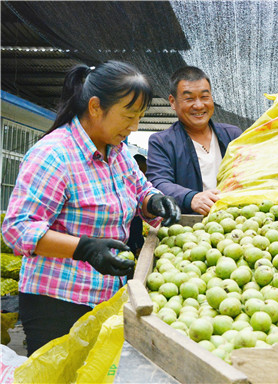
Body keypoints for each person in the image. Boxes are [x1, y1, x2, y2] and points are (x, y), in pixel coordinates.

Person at [1, 61, 180, 356]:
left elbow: (141, 191)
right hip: (57, 304)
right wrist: (84, 249)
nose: (134, 126)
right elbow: (17, 229)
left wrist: (154, 201)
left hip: (106, 299)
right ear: (96, 107)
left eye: (139, 117)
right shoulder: (54, 155)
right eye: (129, 115)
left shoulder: (118, 153)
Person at [146, 66, 242, 216]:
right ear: (172, 102)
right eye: (189, 98)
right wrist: (191, 198)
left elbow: (255, 167)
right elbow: (159, 183)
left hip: (237, 223)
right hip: (189, 230)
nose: (198, 105)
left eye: (204, 97)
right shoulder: (162, 142)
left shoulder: (233, 135)